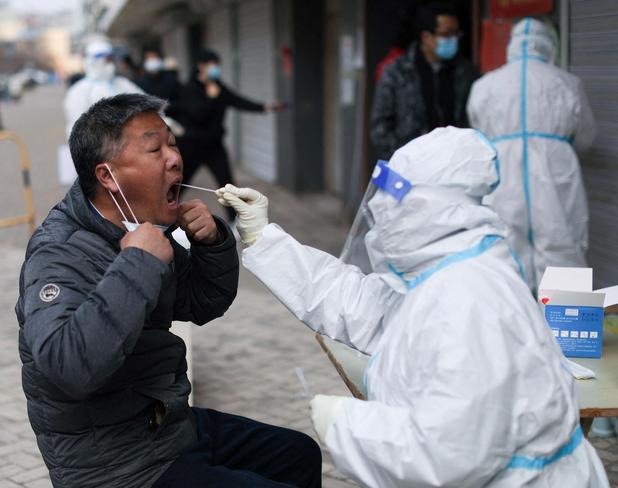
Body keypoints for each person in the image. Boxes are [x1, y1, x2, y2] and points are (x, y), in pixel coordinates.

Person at [217, 127, 609, 487]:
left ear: (429, 206)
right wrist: (263, 237)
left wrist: (346, 424)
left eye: (393, 198)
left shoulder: (470, 299)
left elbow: (451, 454)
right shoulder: (444, 271)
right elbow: (360, 304)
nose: (381, 211)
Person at [16, 93, 321, 488]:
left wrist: (213, 243)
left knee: (297, 454)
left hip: (167, 426)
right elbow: (69, 366)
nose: (175, 158)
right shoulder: (59, 252)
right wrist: (138, 265)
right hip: (115, 465)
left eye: (172, 143)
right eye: (154, 149)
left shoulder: (137, 226)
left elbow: (203, 302)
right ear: (107, 175)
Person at [467, 18, 596, 292]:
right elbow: (585, 135)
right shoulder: (567, 83)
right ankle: (566, 330)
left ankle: (513, 326)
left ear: (512, 46)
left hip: (502, 175)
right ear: (549, 46)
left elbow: (477, 133)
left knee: (505, 248)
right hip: (555, 172)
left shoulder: (484, 86)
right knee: (563, 245)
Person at [177, 49, 284, 222]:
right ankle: (163, 218)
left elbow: (237, 101)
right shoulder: (189, 89)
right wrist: (211, 98)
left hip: (214, 147)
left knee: (227, 187)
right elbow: (197, 115)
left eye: (217, 65)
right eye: (213, 64)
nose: (216, 68)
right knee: (179, 184)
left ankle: (235, 223)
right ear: (201, 66)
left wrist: (265, 107)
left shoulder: (218, 86)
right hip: (192, 146)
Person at [370, 2, 478, 160]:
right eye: (446, 34)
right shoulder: (397, 72)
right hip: (412, 166)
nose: (453, 40)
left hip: (455, 164)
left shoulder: (466, 73)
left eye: (456, 34)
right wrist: (404, 158)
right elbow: (380, 127)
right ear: (426, 37)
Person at [63, 39, 143, 138]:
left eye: (111, 59)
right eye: (106, 60)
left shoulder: (122, 83)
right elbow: (78, 127)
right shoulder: (80, 91)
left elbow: (144, 104)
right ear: (93, 61)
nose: (110, 63)